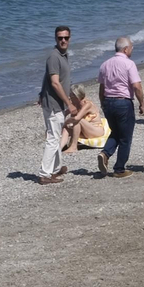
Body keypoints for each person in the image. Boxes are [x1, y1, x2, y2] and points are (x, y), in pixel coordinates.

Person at [95, 37, 144, 178]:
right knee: (125, 137)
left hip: (108, 102)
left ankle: (105, 153)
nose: (132, 50)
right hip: (123, 102)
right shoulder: (129, 64)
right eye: (131, 47)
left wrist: (102, 103)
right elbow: (136, 86)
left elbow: (102, 87)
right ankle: (119, 168)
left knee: (116, 132)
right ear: (125, 49)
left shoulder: (105, 64)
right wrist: (142, 102)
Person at [37, 26, 79, 184]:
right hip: (54, 105)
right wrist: (69, 103)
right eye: (60, 38)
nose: (63, 40)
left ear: (70, 38)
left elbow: (47, 77)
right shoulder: (54, 57)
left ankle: (56, 168)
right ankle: (45, 174)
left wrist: (41, 93)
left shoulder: (63, 55)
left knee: (56, 135)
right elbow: (54, 83)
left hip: (57, 103)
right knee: (53, 138)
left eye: (66, 38)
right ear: (55, 39)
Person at [62, 84, 107, 151]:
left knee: (79, 120)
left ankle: (74, 146)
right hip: (85, 131)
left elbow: (77, 118)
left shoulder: (87, 104)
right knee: (66, 129)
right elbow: (63, 115)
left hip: (96, 130)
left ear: (76, 96)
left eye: (71, 95)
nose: (69, 97)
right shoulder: (75, 105)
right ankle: (59, 148)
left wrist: (66, 122)